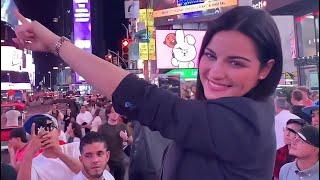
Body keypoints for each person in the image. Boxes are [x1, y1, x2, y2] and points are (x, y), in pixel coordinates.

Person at [14, 6, 283, 179]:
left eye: (236, 62)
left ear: (265, 69)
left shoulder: (245, 120)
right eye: (210, 56)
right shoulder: (231, 113)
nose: (215, 72)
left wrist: (55, 43)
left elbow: (143, 98)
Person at [17, 114, 82, 180]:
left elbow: (88, 173)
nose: (44, 133)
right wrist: (29, 152)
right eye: (37, 131)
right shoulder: (34, 165)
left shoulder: (76, 147)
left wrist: (58, 153)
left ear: (58, 132)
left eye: (48, 127)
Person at [98, 108, 133, 180]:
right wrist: (103, 161)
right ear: (108, 114)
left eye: (116, 112)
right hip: (106, 160)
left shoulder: (123, 126)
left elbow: (131, 141)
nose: (115, 114)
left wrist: (126, 138)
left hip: (119, 160)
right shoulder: (102, 127)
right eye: (112, 112)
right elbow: (99, 145)